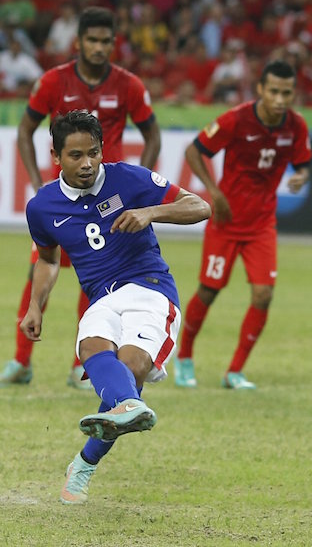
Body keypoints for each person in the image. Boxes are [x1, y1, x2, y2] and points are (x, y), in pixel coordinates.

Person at [20, 110, 209, 503]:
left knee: (132, 367)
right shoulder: (42, 208)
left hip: (150, 288)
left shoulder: (129, 178)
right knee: (92, 348)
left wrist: (152, 212)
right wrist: (36, 305)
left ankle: (86, 461)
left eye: (93, 153)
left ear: (102, 150)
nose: (87, 163)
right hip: (101, 297)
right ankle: (128, 409)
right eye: (75, 156)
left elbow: (200, 207)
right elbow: (49, 260)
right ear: (56, 156)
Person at [0, 6, 162, 389]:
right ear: (78, 42)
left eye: (106, 41)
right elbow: (24, 129)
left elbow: (153, 136)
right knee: (39, 271)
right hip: (64, 204)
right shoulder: (53, 81)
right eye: (92, 40)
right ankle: (21, 362)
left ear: (113, 44)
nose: (99, 47)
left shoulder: (129, 85)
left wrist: (137, 194)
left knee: (100, 282)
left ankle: (79, 367)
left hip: (109, 203)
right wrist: (37, 181)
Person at [174, 60, 311, 390]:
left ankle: (235, 371)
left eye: (286, 93)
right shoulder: (236, 119)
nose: (280, 99)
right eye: (274, 91)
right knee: (209, 291)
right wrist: (214, 190)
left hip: (262, 225)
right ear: (261, 89)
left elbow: (304, 164)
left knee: (263, 295)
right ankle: (184, 358)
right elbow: (194, 151)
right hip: (226, 221)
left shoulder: (296, 126)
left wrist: (301, 177)